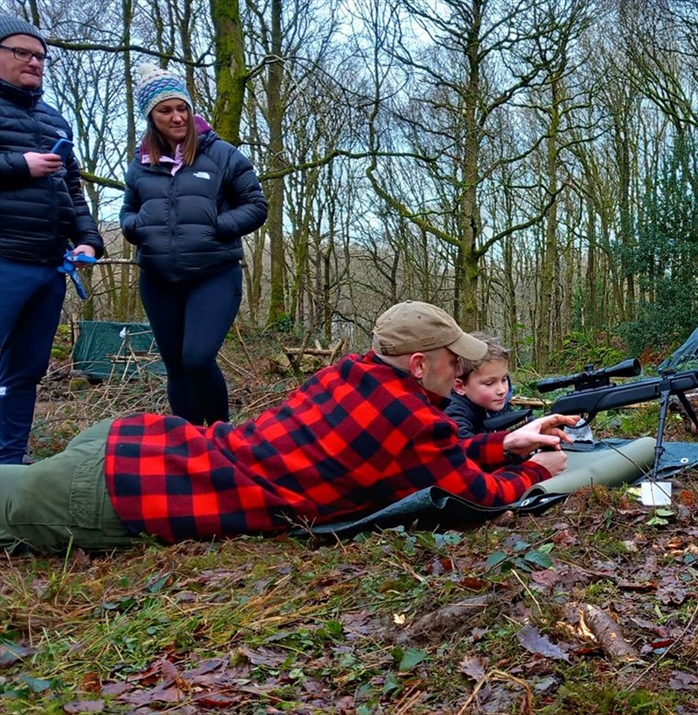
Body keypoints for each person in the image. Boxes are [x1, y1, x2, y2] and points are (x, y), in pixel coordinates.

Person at [0, 300, 579, 554]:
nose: (462, 371)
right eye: (455, 361)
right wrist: (535, 468)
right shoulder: (409, 418)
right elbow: (469, 493)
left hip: (138, 442)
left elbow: (432, 454)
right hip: (127, 489)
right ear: (421, 365)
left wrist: (506, 440)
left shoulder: (351, 375)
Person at [120, 63, 268, 426]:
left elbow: (256, 204)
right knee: (175, 367)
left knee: (197, 358)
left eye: (181, 107)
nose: (176, 117)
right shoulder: (140, 165)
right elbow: (127, 211)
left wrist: (217, 226)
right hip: (157, 278)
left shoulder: (222, 155)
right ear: (151, 117)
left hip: (213, 274)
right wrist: (136, 226)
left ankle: (221, 439)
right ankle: (188, 447)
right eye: (165, 110)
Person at [0, 16, 105, 465]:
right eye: (21, 52)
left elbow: (72, 188)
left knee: (25, 371)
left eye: (40, 55)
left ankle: (9, 463)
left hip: (48, 265)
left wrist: (89, 239)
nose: (34, 61)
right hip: (3, 259)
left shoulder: (53, 118)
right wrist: (18, 166)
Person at [445, 331, 520, 438]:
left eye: (504, 379)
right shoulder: (454, 413)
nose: (502, 390)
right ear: (460, 387)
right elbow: (464, 446)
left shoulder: (494, 404)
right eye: (489, 383)